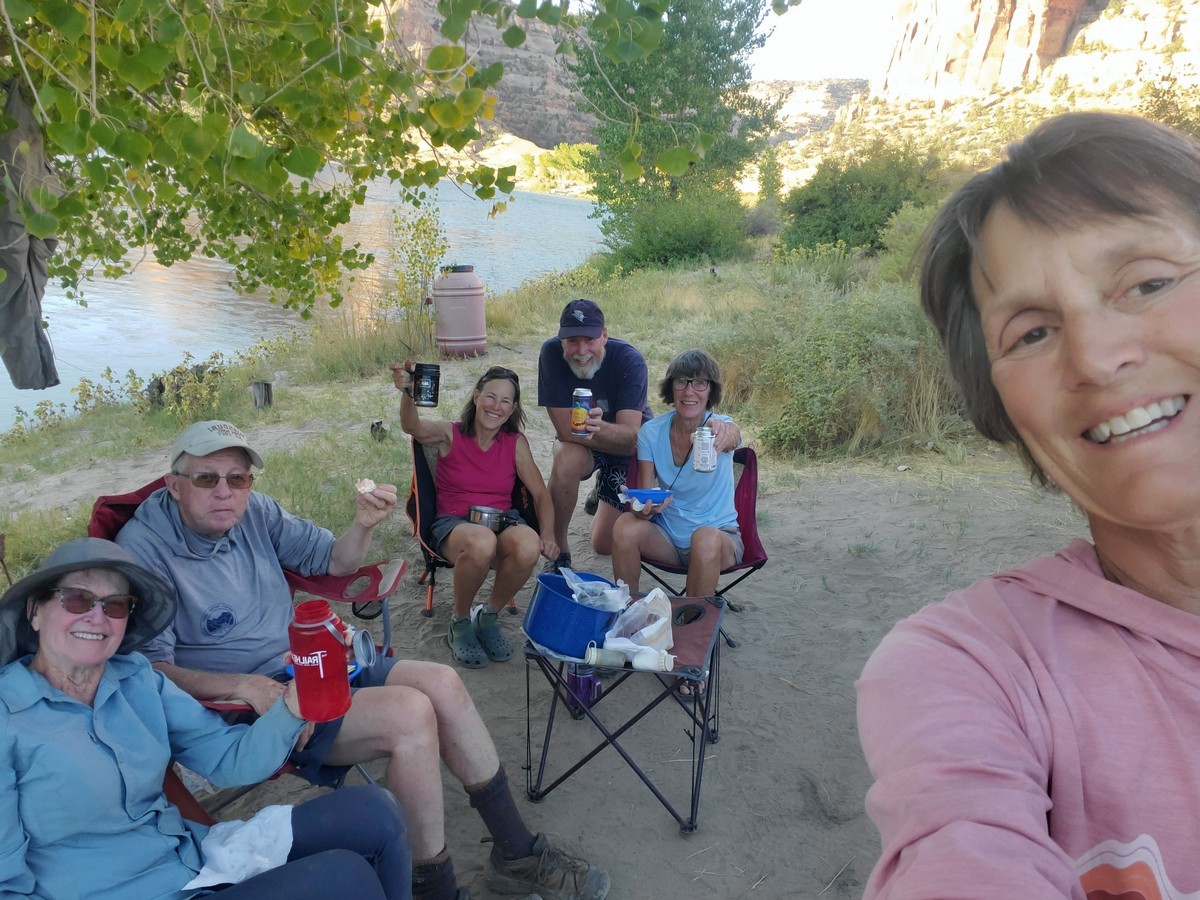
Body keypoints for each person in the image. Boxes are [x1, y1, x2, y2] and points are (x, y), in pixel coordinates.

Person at [856, 111, 1200, 899]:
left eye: (1148, 283)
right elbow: (957, 842)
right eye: (1032, 333)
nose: (1096, 358)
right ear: (1003, 407)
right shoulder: (969, 667)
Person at [116, 420, 610, 900]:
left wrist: (363, 525)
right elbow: (148, 672)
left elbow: (335, 561)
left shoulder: (256, 512)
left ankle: (515, 854)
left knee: (443, 682)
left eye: (238, 478)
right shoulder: (143, 551)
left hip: (309, 663)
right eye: (206, 478)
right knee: (409, 716)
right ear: (174, 485)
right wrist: (244, 686)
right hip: (250, 708)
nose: (225, 492)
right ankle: (432, 889)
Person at [0, 537, 411, 899]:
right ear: (35, 611)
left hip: (193, 860)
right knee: (342, 878)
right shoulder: (8, 718)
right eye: (77, 600)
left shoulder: (136, 679)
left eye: (115, 604)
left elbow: (229, 761)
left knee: (375, 811)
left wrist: (292, 706)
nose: (97, 616)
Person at [392, 361, 556, 668]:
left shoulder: (515, 443)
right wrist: (407, 393)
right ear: (476, 395)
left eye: (505, 401)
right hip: (453, 526)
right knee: (482, 541)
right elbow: (411, 426)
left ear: (513, 408)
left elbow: (540, 494)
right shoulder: (450, 434)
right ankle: (460, 621)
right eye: (490, 396)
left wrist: (547, 534)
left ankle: (488, 616)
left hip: (501, 521)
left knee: (528, 544)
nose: (496, 406)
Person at [611, 349, 743, 598]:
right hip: (668, 538)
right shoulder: (651, 432)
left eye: (700, 383)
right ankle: (627, 610)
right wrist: (643, 507)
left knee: (704, 539)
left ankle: (692, 619)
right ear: (671, 388)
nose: (689, 391)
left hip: (718, 539)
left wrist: (722, 432)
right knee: (625, 525)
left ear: (711, 390)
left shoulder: (721, 426)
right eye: (681, 381)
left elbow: (732, 436)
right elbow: (645, 498)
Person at [537, 298, 652, 572]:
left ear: (604, 336)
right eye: (572, 341)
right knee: (565, 458)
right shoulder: (550, 353)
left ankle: (601, 490)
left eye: (589, 339)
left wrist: (601, 428)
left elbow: (632, 438)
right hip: (584, 444)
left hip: (625, 448)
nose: (581, 351)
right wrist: (603, 433)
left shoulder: (629, 360)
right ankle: (560, 552)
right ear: (561, 341)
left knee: (603, 543)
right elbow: (564, 431)